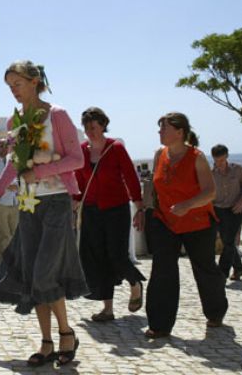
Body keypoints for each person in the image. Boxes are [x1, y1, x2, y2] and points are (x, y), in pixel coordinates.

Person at [0, 61, 88, 367]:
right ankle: (47, 342)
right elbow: (14, 165)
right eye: (9, 86)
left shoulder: (57, 115)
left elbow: (77, 160)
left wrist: (41, 171)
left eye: (17, 84)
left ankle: (66, 333)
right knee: (34, 274)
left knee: (45, 272)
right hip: (28, 204)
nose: (13, 91)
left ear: (34, 82)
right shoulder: (15, 121)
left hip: (56, 201)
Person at [144, 112, 228, 338]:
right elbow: (154, 186)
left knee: (204, 268)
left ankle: (216, 312)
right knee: (162, 270)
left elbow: (210, 192)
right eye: (160, 127)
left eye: (164, 128)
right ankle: (159, 325)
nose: (160, 132)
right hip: (165, 220)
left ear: (180, 132)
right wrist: (145, 210)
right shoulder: (159, 154)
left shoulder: (197, 157)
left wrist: (187, 205)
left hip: (197, 222)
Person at [74, 107, 145, 322]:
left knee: (117, 255)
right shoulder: (82, 150)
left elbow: (131, 177)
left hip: (116, 209)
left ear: (103, 125)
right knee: (96, 258)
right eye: (87, 128)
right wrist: (75, 202)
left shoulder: (116, 148)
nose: (90, 131)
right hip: (91, 210)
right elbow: (80, 180)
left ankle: (135, 283)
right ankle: (107, 309)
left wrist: (139, 207)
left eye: (93, 127)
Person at [211, 144, 242, 281]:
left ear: (227, 157)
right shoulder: (210, 173)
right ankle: (238, 268)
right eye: (216, 160)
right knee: (226, 241)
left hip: (236, 209)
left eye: (222, 160)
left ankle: (222, 274)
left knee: (229, 241)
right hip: (218, 209)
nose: (219, 163)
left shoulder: (238, 169)